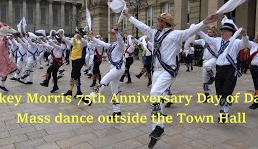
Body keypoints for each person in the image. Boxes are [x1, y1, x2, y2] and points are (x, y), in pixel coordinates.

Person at [124, 9, 216, 148]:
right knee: (157, 101)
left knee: (154, 94)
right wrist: (129, 16)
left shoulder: (176, 34)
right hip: (156, 71)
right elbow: (141, 26)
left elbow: (191, 31)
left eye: (158, 21)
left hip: (168, 71)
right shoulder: (154, 34)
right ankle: (156, 129)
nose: (156, 23)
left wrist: (204, 22)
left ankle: (159, 127)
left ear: (163, 22)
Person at [88, 25, 125, 117]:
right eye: (111, 34)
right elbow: (102, 43)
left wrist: (116, 31)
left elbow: (120, 39)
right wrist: (92, 37)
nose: (111, 35)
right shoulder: (112, 45)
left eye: (113, 34)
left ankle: (92, 97)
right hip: (113, 68)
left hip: (118, 68)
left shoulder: (120, 44)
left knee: (104, 80)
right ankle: (117, 111)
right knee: (114, 90)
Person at [62, 29, 89, 100]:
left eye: (77, 33)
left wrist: (80, 38)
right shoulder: (75, 41)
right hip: (74, 60)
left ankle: (72, 91)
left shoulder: (83, 41)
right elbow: (70, 42)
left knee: (74, 75)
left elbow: (85, 43)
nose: (76, 35)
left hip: (79, 60)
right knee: (75, 75)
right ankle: (77, 91)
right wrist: (62, 38)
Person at [193, 27, 217, 100]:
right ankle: (207, 95)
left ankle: (212, 76)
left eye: (210, 32)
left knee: (209, 67)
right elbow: (194, 42)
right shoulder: (203, 40)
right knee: (204, 79)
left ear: (214, 33)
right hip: (205, 60)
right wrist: (191, 35)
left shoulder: (215, 40)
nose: (208, 33)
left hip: (214, 59)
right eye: (208, 32)